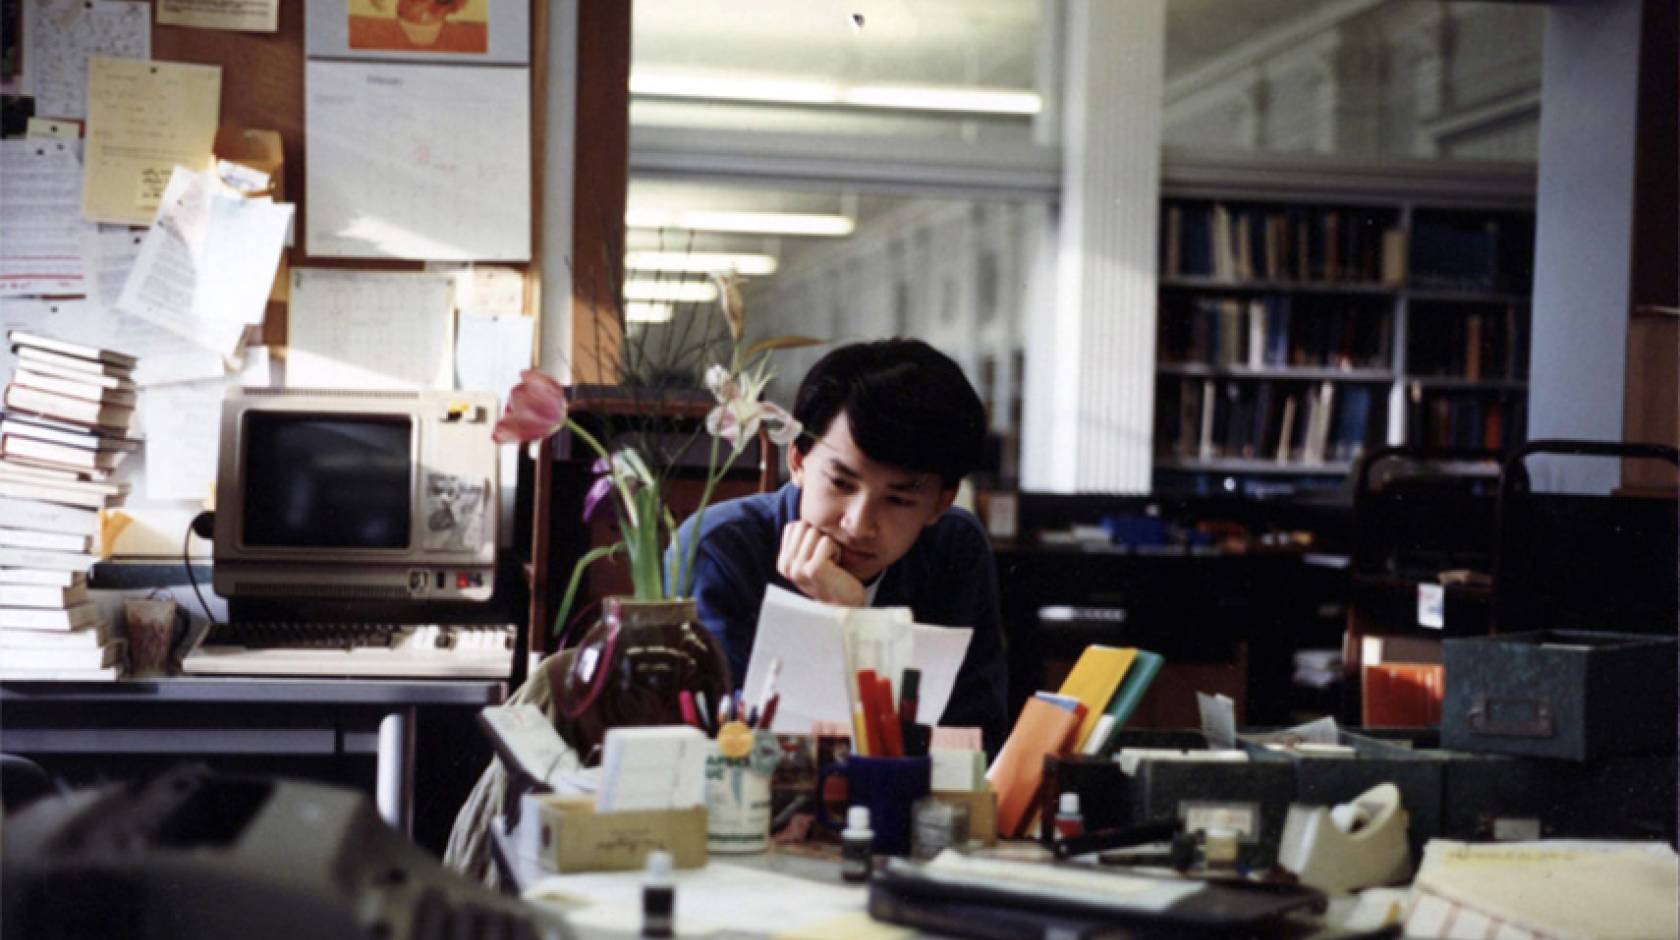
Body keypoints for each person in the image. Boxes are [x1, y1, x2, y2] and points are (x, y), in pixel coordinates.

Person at [670, 338, 1008, 753]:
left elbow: (969, 740)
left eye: (898, 499)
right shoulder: (720, 547)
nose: (859, 524)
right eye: (841, 483)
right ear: (797, 461)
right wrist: (825, 624)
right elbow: (732, 745)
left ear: (940, 502)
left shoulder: (954, 549)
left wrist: (853, 622)